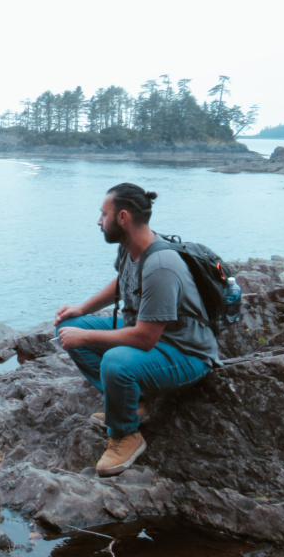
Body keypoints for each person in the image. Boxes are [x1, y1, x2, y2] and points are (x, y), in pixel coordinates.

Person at [54, 183, 220, 477]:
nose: (98, 221)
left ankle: (126, 435)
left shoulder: (161, 265)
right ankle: (134, 405)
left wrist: (87, 337)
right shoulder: (131, 248)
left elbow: (145, 338)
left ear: (123, 218)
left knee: (116, 362)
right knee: (69, 326)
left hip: (185, 353)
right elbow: (122, 281)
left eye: (103, 214)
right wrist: (83, 309)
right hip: (148, 337)